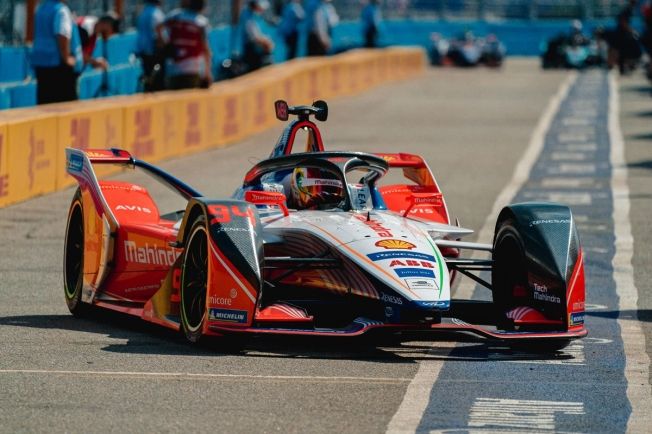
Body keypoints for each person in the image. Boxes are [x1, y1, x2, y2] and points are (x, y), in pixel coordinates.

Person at [31, 0, 83, 104]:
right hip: (58, 66)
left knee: (45, 105)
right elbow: (62, 34)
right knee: (65, 108)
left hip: (41, 64)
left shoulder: (41, 9)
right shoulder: (61, 11)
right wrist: (67, 58)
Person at [161, 0, 212, 90]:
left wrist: (165, 44)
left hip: (172, 69)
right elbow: (205, 49)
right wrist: (207, 73)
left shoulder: (174, 16)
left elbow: (158, 27)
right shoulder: (201, 22)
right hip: (192, 69)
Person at [136, 0, 165, 91]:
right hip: (153, 51)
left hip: (143, 50)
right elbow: (159, 32)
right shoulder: (156, 13)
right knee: (157, 77)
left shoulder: (143, 12)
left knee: (147, 75)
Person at [238, 0, 275, 72]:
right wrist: (266, 42)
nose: (261, 10)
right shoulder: (248, 16)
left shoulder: (252, 15)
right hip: (252, 51)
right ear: (254, 5)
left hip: (254, 49)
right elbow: (254, 36)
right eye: (259, 7)